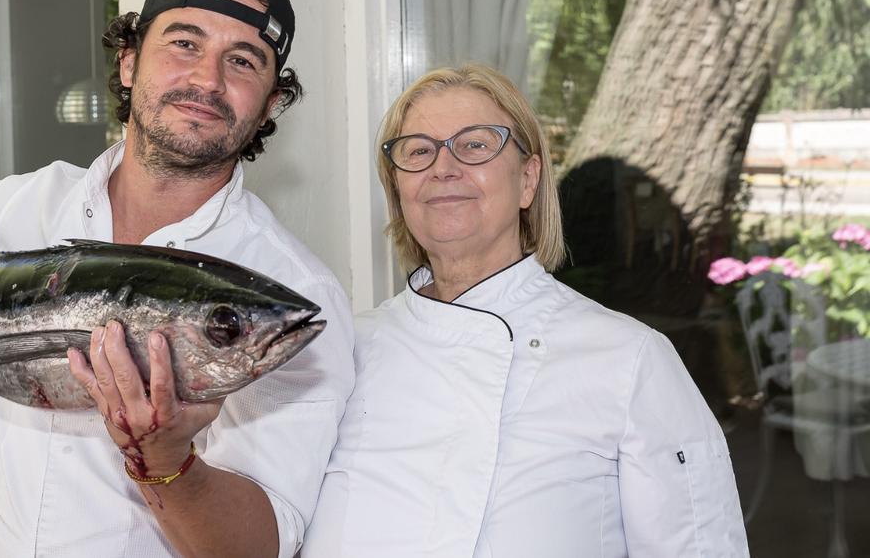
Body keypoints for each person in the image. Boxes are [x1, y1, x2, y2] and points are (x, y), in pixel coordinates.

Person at [0, 0, 354, 558]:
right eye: (185, 43)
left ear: (269, 104)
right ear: (129, 61)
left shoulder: (292, 298)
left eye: (242, 60)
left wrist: (166, 462)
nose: (209, 80)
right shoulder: (29, 202)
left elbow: (257, 547)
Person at [302, 63, 748, 557]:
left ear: (528, 179)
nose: (442, 168)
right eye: (419, 151)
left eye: (475, 145)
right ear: (398, 190)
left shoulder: (630, 359)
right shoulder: (343, 349)